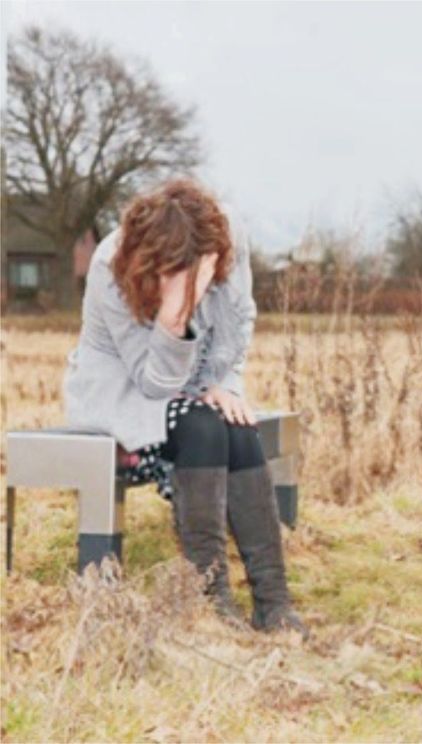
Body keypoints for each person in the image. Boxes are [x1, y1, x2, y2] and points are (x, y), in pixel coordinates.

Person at [64, 179, 307, 635]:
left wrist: (223, 385)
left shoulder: (225, 237)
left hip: (192, 385)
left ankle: (273, 604)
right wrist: (175, 316)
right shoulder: (107, 265)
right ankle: (208, 599)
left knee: (236, 424)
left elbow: (239, 319)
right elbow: (153, 384)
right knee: (201, 428)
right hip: (123, 394)